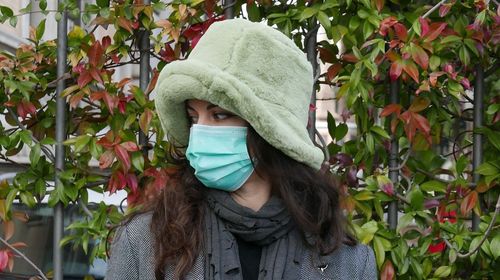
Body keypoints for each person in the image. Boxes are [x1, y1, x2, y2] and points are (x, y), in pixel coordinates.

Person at [105, 18, 376, 280]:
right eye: (193, 117)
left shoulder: (347, 262)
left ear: (270, 133)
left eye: (220, 115)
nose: (200, 131)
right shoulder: (146, 241)